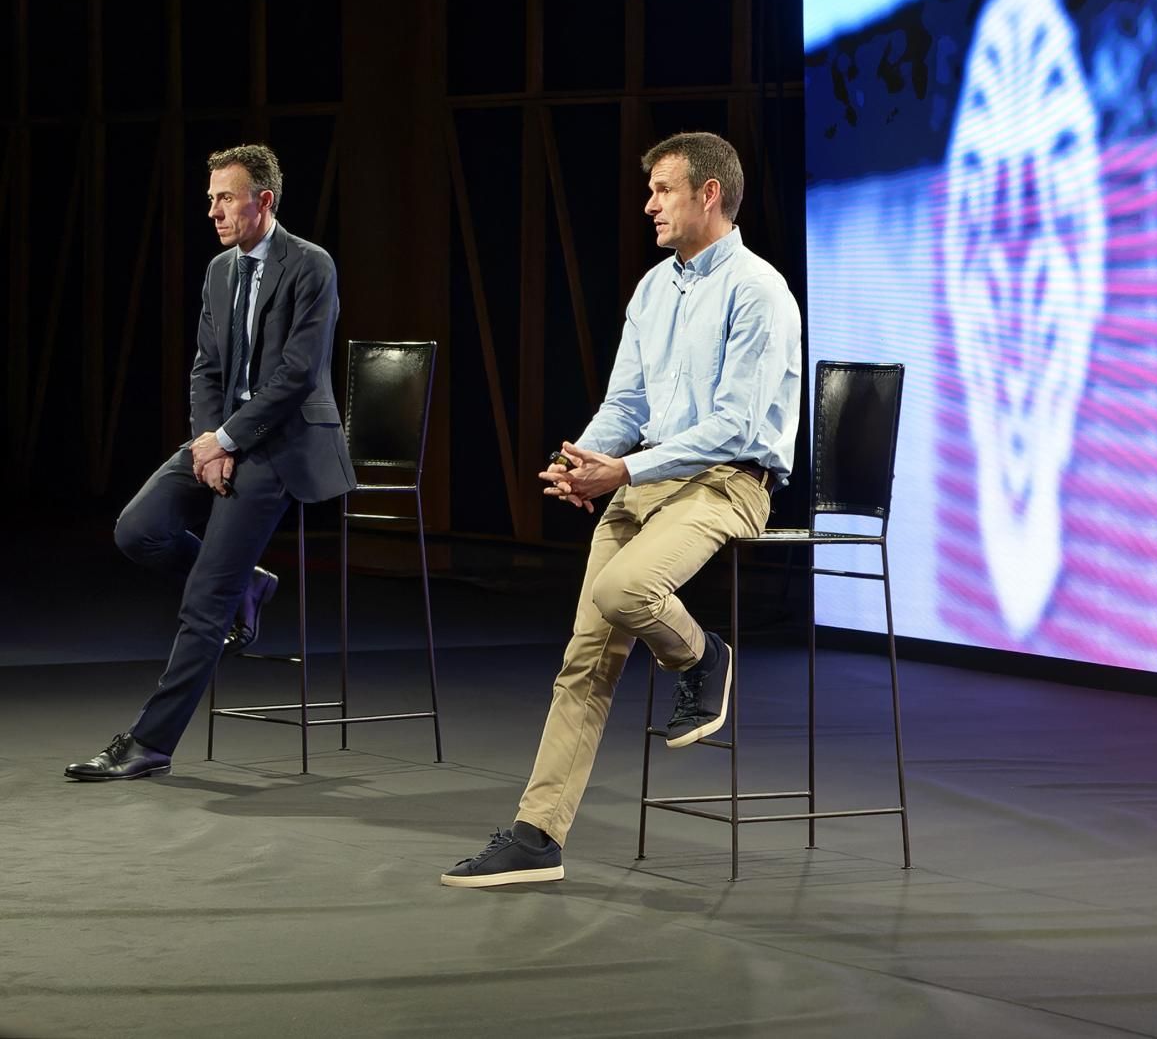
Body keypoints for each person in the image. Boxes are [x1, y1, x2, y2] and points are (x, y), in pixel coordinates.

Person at [442, 130, 801, 888]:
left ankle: (705, 657)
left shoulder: (758, 290)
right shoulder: (652, 288)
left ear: (709, 193)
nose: (649, 206)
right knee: (583, 660)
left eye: (662, 190)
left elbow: (736, 425)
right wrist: (581, 463)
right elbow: (626, 401)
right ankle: (539, 835)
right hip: (647, 482)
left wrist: (626, 467)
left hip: (727, 482)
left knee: (622, 590)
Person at [66, 145, 355, 782]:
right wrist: (207, 442)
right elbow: (207, 367)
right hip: (225, 438)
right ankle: (248, 584)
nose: (214, 211)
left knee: (206, 598)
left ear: (264, 201)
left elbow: (296, 376)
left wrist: (228, 440)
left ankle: (150, 743)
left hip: (283, 443)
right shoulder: (220, 271)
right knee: (137, 530)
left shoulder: (310, 265)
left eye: (226, 197)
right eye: (211, 199)